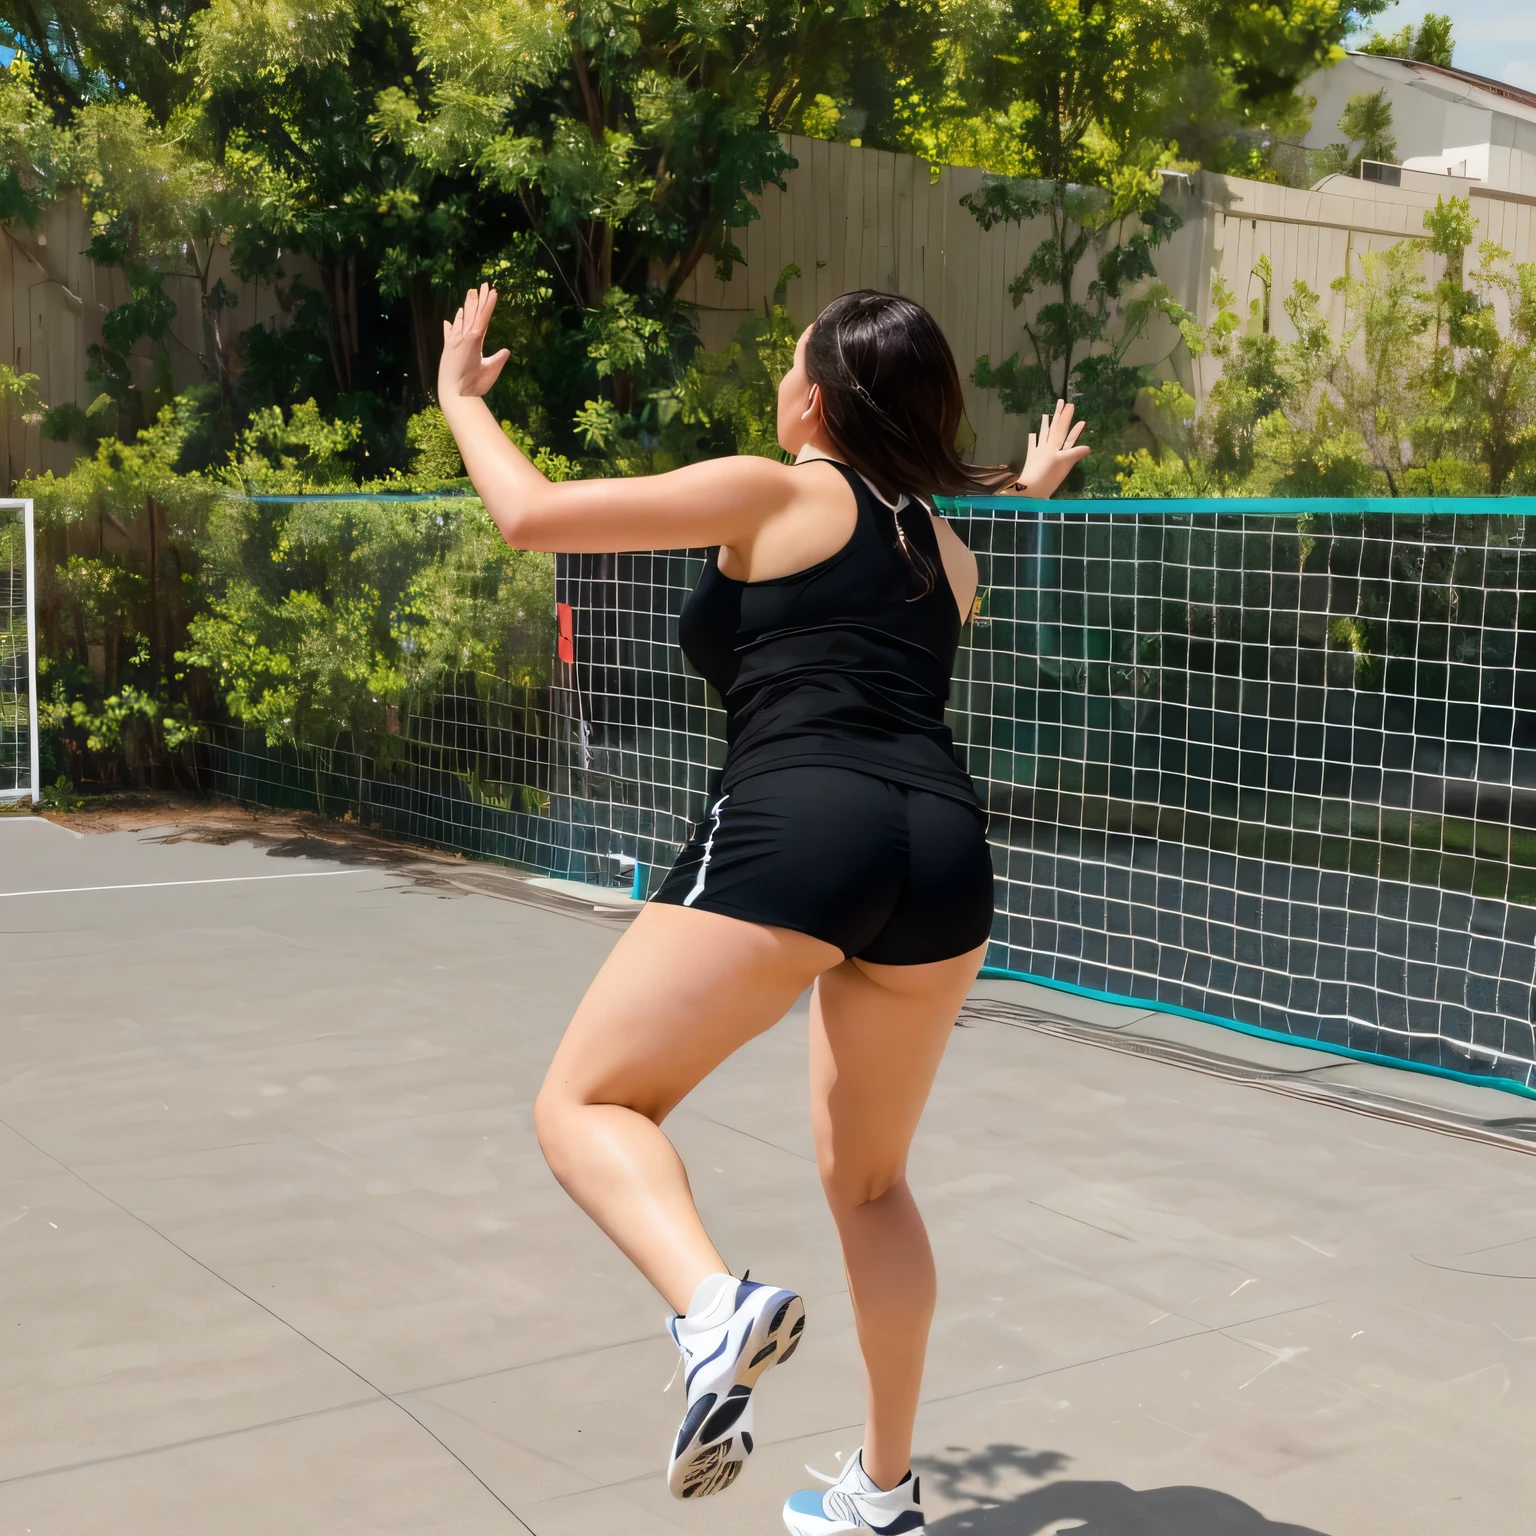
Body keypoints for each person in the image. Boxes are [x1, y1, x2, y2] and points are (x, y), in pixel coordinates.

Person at [438, 283, 1089, 1534]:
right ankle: (884, 1493)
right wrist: (1025, 491)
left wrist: (463, 401)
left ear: (822, 399)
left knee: (585, 1104)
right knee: (873, 1186)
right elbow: (918, 548)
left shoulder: (774, 487)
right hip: (945, 853)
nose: (782, 381)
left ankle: (709, 1309)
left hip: (808, 825)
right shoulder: (946, 555)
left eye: (795, 365)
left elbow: (528, 516)